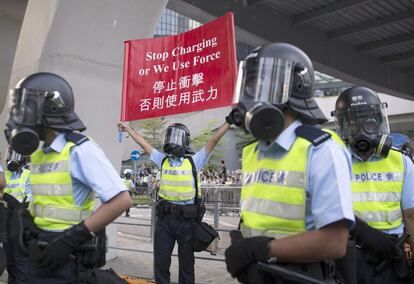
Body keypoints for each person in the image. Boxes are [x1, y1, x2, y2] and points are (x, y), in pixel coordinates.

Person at [224, 42, 354, 283]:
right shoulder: (253, 151)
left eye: (259, 85)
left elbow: (334, 242)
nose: (249, 97)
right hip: (257, 273)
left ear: (294, 87)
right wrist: (245, 244)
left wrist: (261, 248)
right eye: (248, 87)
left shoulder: (321, 150)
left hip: (300, 276)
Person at [4, 72, 133, 283]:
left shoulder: (80, 149)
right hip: (42, 252)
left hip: (68, 255)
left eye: (26, 109)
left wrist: (70, 239)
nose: (19, 117)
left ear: (52, 108)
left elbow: (122, 200)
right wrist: (24, 219)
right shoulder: (39, 154)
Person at [118, 120, 230, 284]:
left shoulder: (194, 161)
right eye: (170, 136)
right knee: (161, 262)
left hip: (187, 221)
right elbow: (144, 144)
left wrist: (228, 123)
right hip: (165, 220)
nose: (172, 140)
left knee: (186, 265)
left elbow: (213, 141)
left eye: (177, 136)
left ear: (185, 141)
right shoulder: (162, 160)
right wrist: (129, 129)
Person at [332, 86, 414, 284]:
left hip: (391, 253)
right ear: (342, 126)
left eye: (368, 122)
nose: (361, 130)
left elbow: (411, 216)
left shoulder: (401, 162)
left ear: (378, 122)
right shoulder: (335, 161)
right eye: (353, 123)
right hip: (349, 253)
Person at [3, 148, 31, 283]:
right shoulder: (6, 175)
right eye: (10, 154)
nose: (11, 158)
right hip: (7, 220)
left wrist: (14, 202)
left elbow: (30, 200)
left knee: (21, 261)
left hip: (21, 222)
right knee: (10, 260)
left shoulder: (29, 174)